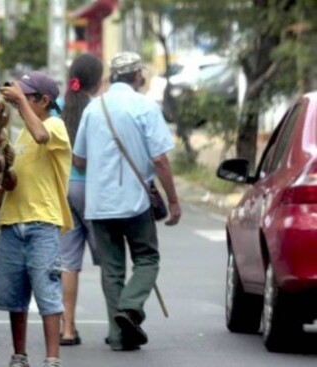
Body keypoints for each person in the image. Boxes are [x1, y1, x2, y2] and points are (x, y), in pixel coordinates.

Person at [72, 51, 182, 351]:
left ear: (113, 77)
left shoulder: (94, 110)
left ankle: (119, 337)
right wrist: (173, 201)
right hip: (135, 202)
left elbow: (79, 161)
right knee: (147, 258)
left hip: (100, 203)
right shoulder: (145, 106)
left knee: (112, 269)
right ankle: (130, 308)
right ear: (138, 76)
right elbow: (160, 159)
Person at [0, 71, 73, 367]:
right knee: (15, 296)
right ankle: (19, 355)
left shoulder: (54, 125)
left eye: (27, 96)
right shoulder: (22, 132)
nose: (19, 102)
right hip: (13, 221)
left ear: (44, 101)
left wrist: (18, 100)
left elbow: (41, 136)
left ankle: (52, 359)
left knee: (47, 292)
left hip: (42, 223)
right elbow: (15, 170)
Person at [58, 53, 104, 346]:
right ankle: (118, 326)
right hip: (93, 191)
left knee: (68, 263)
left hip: (64, 190)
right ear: (98, 82)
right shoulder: (98, 110)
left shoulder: (59, 108)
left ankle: (67, 329)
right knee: (110, 260)